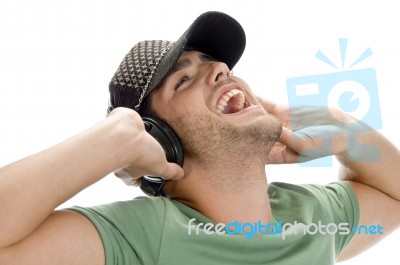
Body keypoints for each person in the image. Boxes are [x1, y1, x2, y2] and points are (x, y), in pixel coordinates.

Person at [0, 11, 398, 265]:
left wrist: (342, 128)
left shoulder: (309, 218)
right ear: (157, 136)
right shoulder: (140, 237)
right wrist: (116, 137)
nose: (223, 69)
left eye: (216, 64)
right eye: (184, 79)